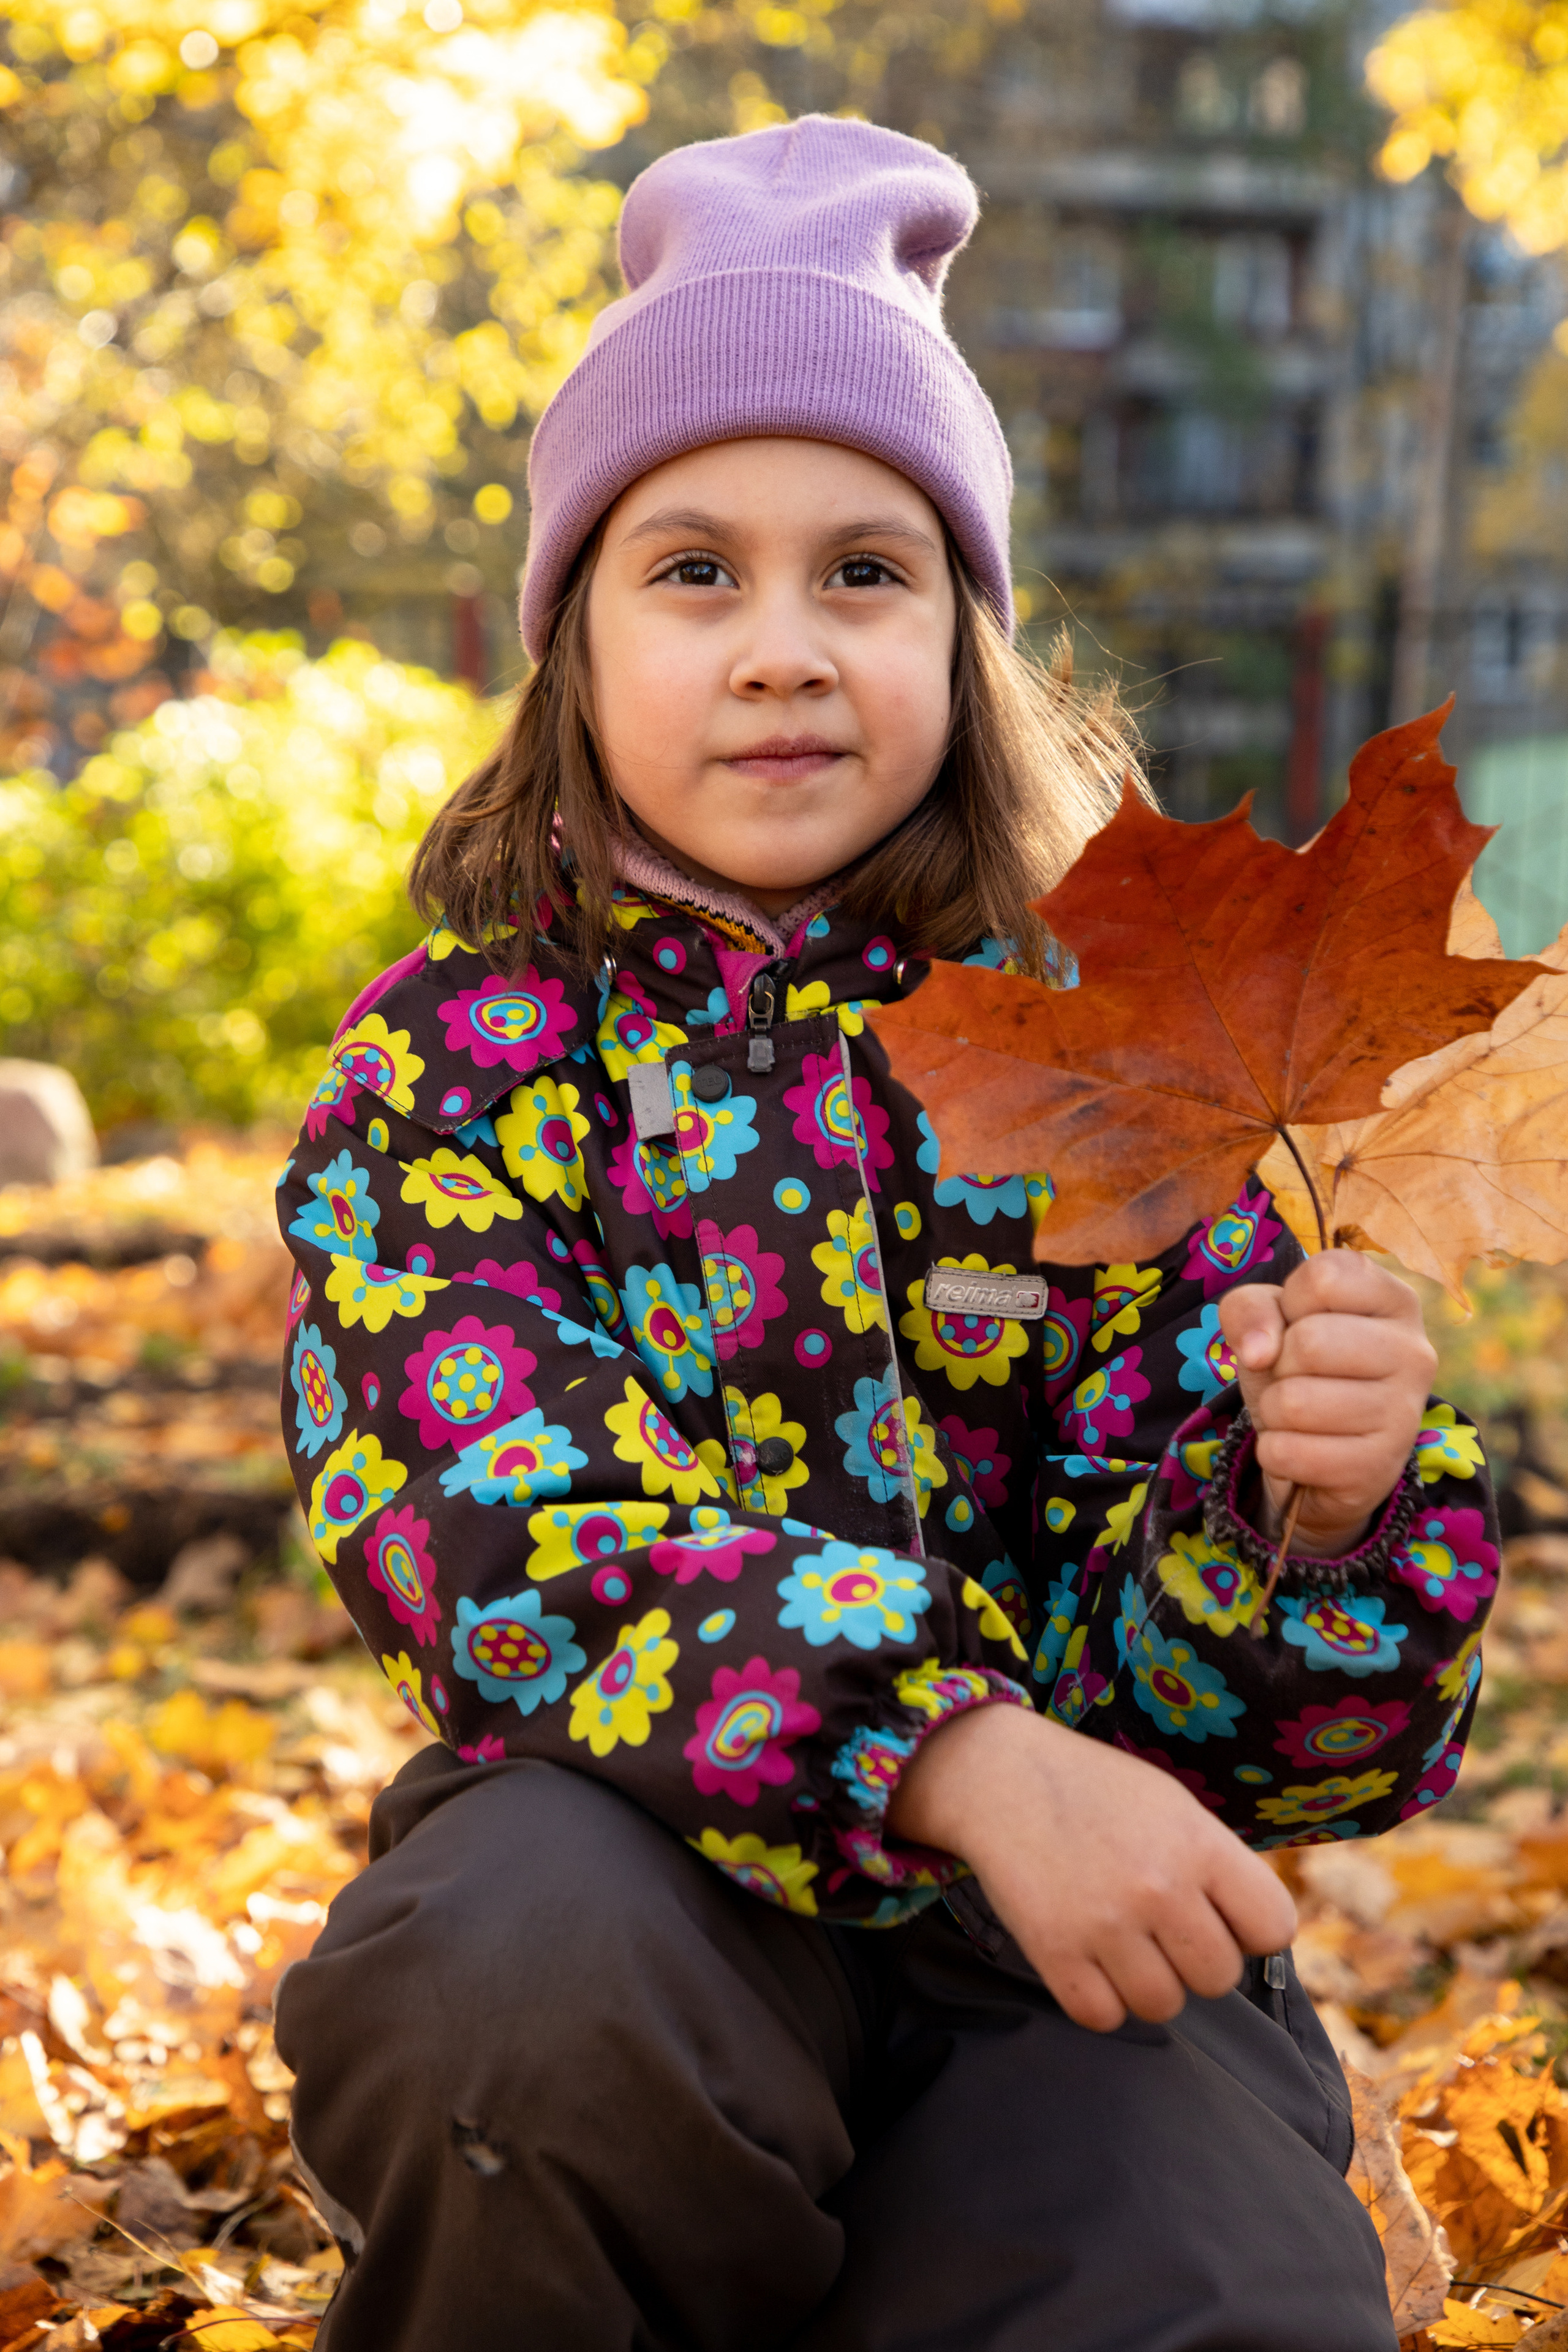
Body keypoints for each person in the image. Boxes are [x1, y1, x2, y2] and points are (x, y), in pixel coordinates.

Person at [273, 114, 1495, 2352]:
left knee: (1197, 2272)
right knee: (511, 2004)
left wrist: (1304, 1521)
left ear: (964, 632)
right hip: (635, 1868)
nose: (781, 648)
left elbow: (1261, 1743)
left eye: (865, 570)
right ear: (570, 638)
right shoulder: (456, 1072)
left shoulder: (1120, 1073)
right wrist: (949, 1747)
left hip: (1058, 1931)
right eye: (693, 570)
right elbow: (487, 1529)